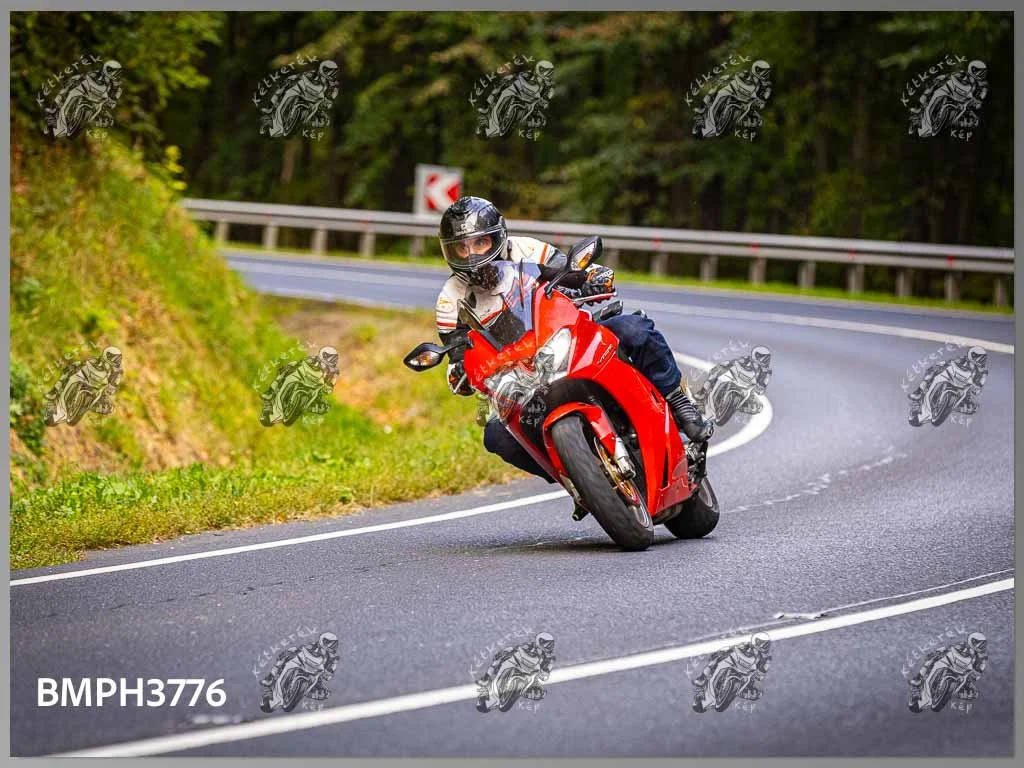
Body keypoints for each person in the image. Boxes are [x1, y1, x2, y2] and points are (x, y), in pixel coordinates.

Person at [434, 196, 714, 519]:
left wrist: (591, 277)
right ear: (449, 251)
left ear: (497, 237)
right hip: (518, 379)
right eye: (461, 247)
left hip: (564, 337)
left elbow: (570, 271)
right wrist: (460, 372)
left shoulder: (525, 250)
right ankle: (575, 478)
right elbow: (458, 353)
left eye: (479, 243)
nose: (472, 254)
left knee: (634, 329)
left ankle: (679, 402)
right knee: (496, 436)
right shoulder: (449, 301)